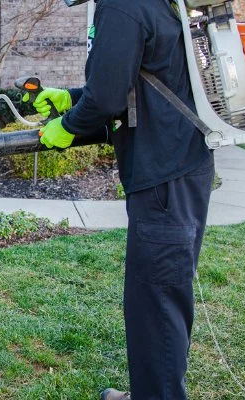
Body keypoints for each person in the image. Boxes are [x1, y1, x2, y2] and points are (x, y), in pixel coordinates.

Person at [33, 0, 215, 399]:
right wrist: (70, 97)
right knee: (154, 300)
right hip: (179, 166)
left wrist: (67, 126)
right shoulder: (144, 3)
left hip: (165, 174)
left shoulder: (122, 5)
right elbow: (133, 78)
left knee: (157, 306)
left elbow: (107, 100)